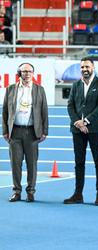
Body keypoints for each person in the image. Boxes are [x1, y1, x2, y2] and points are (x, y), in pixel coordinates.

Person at [64, 57, 98, 205]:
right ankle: (78, 194)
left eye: (87, 67)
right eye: (82, 67)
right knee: (79, 162)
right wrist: (77, 122)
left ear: (93, 67)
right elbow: (70, 106)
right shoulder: (76, 85)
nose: (84, 69)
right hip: (77, 129)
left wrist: (86, 121)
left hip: (95, 129)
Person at [2, 63, 49, 202]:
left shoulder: (39, 90)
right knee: (15, 164)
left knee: (31, 164)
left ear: (33, 73)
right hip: (15, 131)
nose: (27, 74)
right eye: (24, 71)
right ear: (19, 73)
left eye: (30, 71)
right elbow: (5, 111)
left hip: (32, 132)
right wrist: (5, 130)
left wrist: (44, 131)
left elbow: (44, 111)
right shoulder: (10, 89)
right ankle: (16, 191)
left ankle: (31, 192)